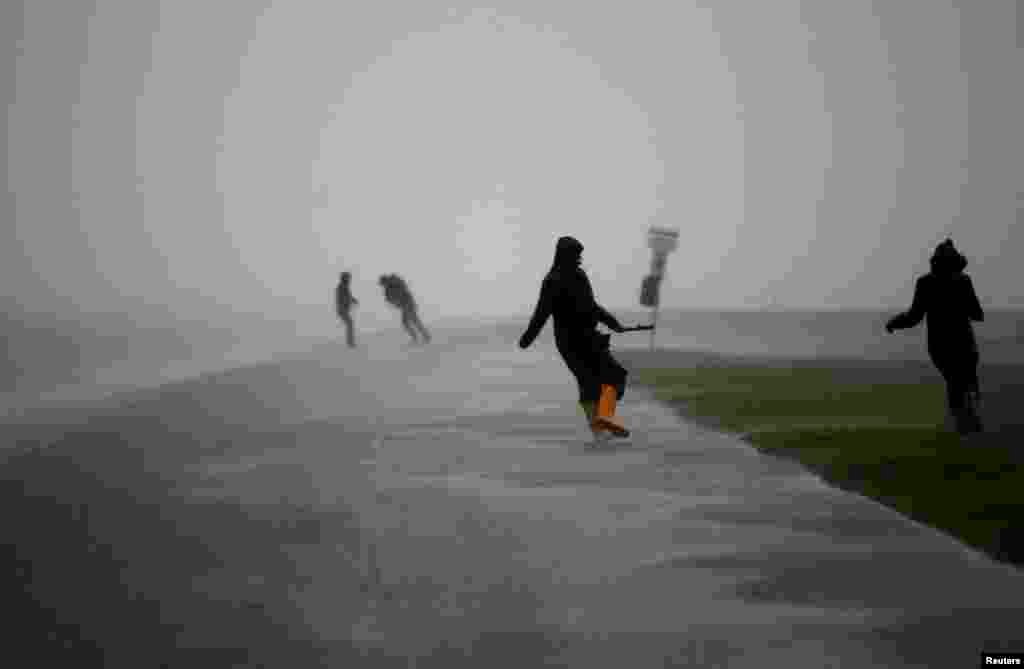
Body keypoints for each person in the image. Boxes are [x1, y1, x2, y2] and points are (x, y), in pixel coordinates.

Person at [518, 236, 631, 439]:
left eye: (580, 255)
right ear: (564, 256)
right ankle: (599, 429)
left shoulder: (579, 276)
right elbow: (542, 313)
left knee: (615, 376)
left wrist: (613, 323)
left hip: (589, 338)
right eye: (576, 255)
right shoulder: (551, 281)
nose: (579, 258)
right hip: (570, 343)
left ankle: (604, 417)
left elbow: (592, 306)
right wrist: (527, 339)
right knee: (588, 383)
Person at [885, 238, 985, 434]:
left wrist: (894, 323)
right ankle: (967, 422)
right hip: (957, 345)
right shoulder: (960, 282)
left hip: (945, 346)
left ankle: (967, 422)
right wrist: (895, 323)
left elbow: (914, 316)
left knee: (957, 382)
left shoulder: (929, 283)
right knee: (959, 382)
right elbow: (977, 314)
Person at [379, 274, 432, 344]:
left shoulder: (394, 285)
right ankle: (423, 336)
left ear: (385, 282)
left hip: (407, 304)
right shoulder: (390, 287)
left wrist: (394, 300)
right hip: (406, 304)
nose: (382, 286)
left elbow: (400, 294)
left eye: (382, 284)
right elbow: (391, 298)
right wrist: (392, 300)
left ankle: (422, 337)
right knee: (412, 321)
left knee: (411, 321)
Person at [335, 271, 358, 348]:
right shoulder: (342, 287)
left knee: (350, 324)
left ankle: (350, 342)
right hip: (342, 309)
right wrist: (350, 301)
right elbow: (343, 297)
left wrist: (353, 300)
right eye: (348, 278)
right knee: (350, 324)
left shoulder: (344, 286)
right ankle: (350, 343)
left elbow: (348, 296)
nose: (349, 280)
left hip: (343, 309)